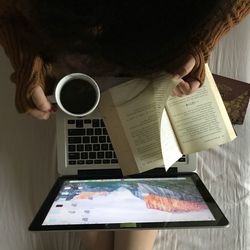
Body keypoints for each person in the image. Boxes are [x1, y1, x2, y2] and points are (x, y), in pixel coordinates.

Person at [0, 1, 249, 250]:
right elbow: (6, 13)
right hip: (83, 91)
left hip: (153, 89)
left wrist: (199, 45)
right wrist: (28, 69)